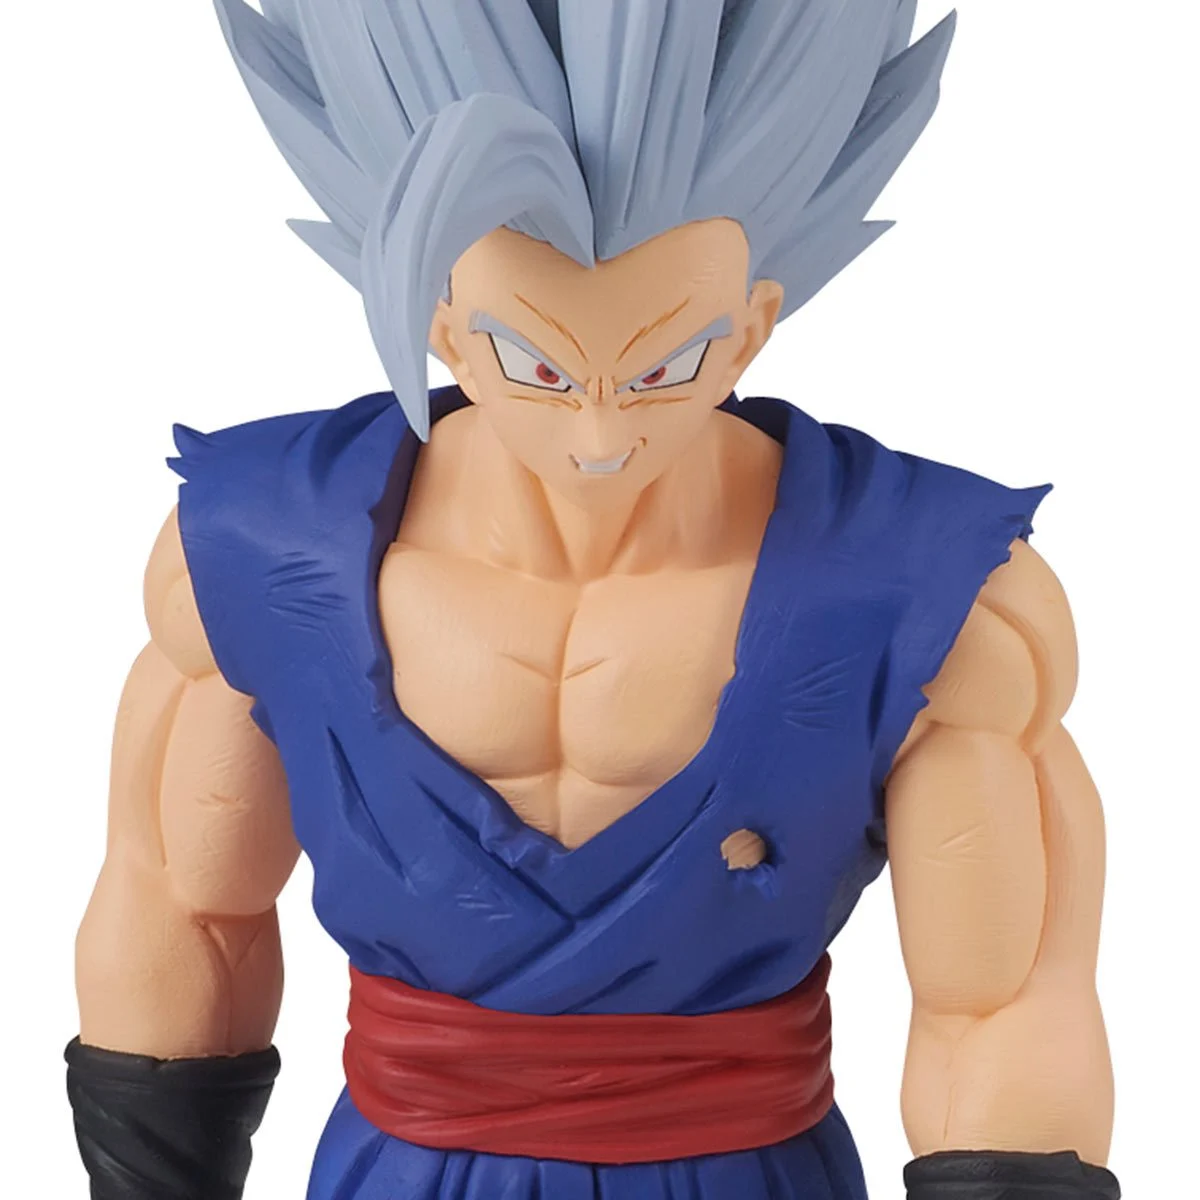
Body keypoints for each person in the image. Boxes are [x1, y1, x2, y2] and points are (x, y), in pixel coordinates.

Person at [65, 3, 1120, 1198]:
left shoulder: (932, 597)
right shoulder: (254, 554)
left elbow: (1002, 1010)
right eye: (538, 363)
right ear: (442, 326)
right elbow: (180, 918)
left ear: (751, 330)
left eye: (666, 363)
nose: (603, 432)